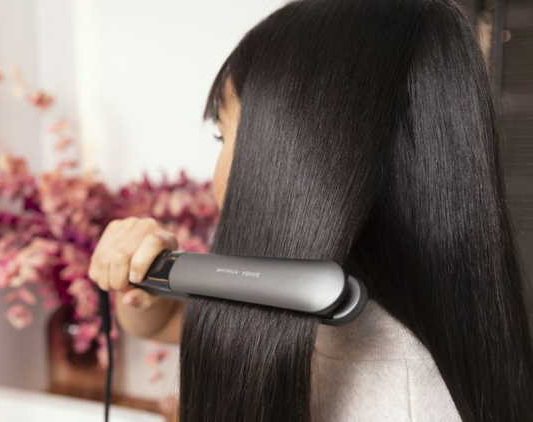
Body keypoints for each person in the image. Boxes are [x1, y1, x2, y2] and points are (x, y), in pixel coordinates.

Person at [88, 0, 533, 420]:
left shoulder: (399, 403)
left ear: (303, 160)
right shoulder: (332, 305)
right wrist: (140, 274)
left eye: (225, 137)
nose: (214, 179)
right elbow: (168, 323)